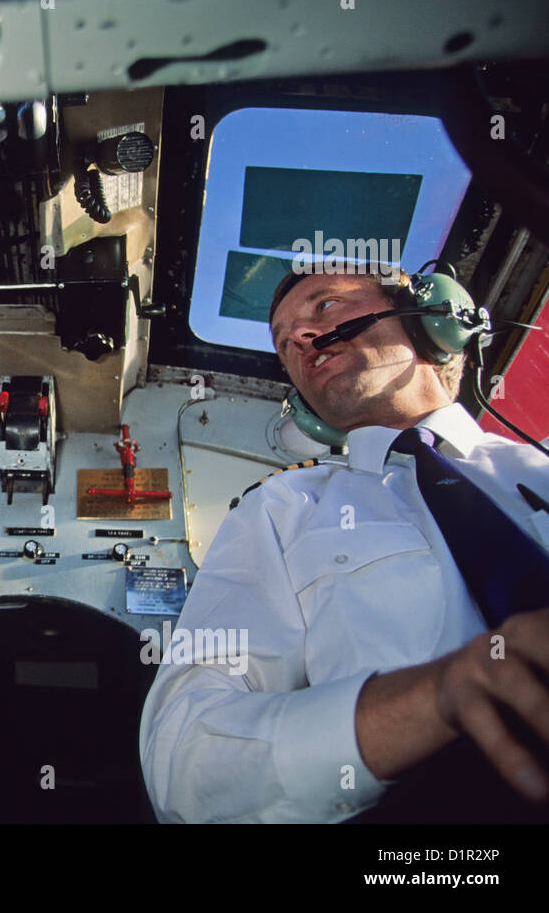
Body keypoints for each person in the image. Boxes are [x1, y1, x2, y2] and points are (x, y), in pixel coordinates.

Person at [138, 261, 549, 823]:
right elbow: (185, 760)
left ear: (429, 316)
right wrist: (434, 699)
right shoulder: (280, 510)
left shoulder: (538, 466)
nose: (300, 339)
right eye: (284, 345)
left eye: (325, 307)